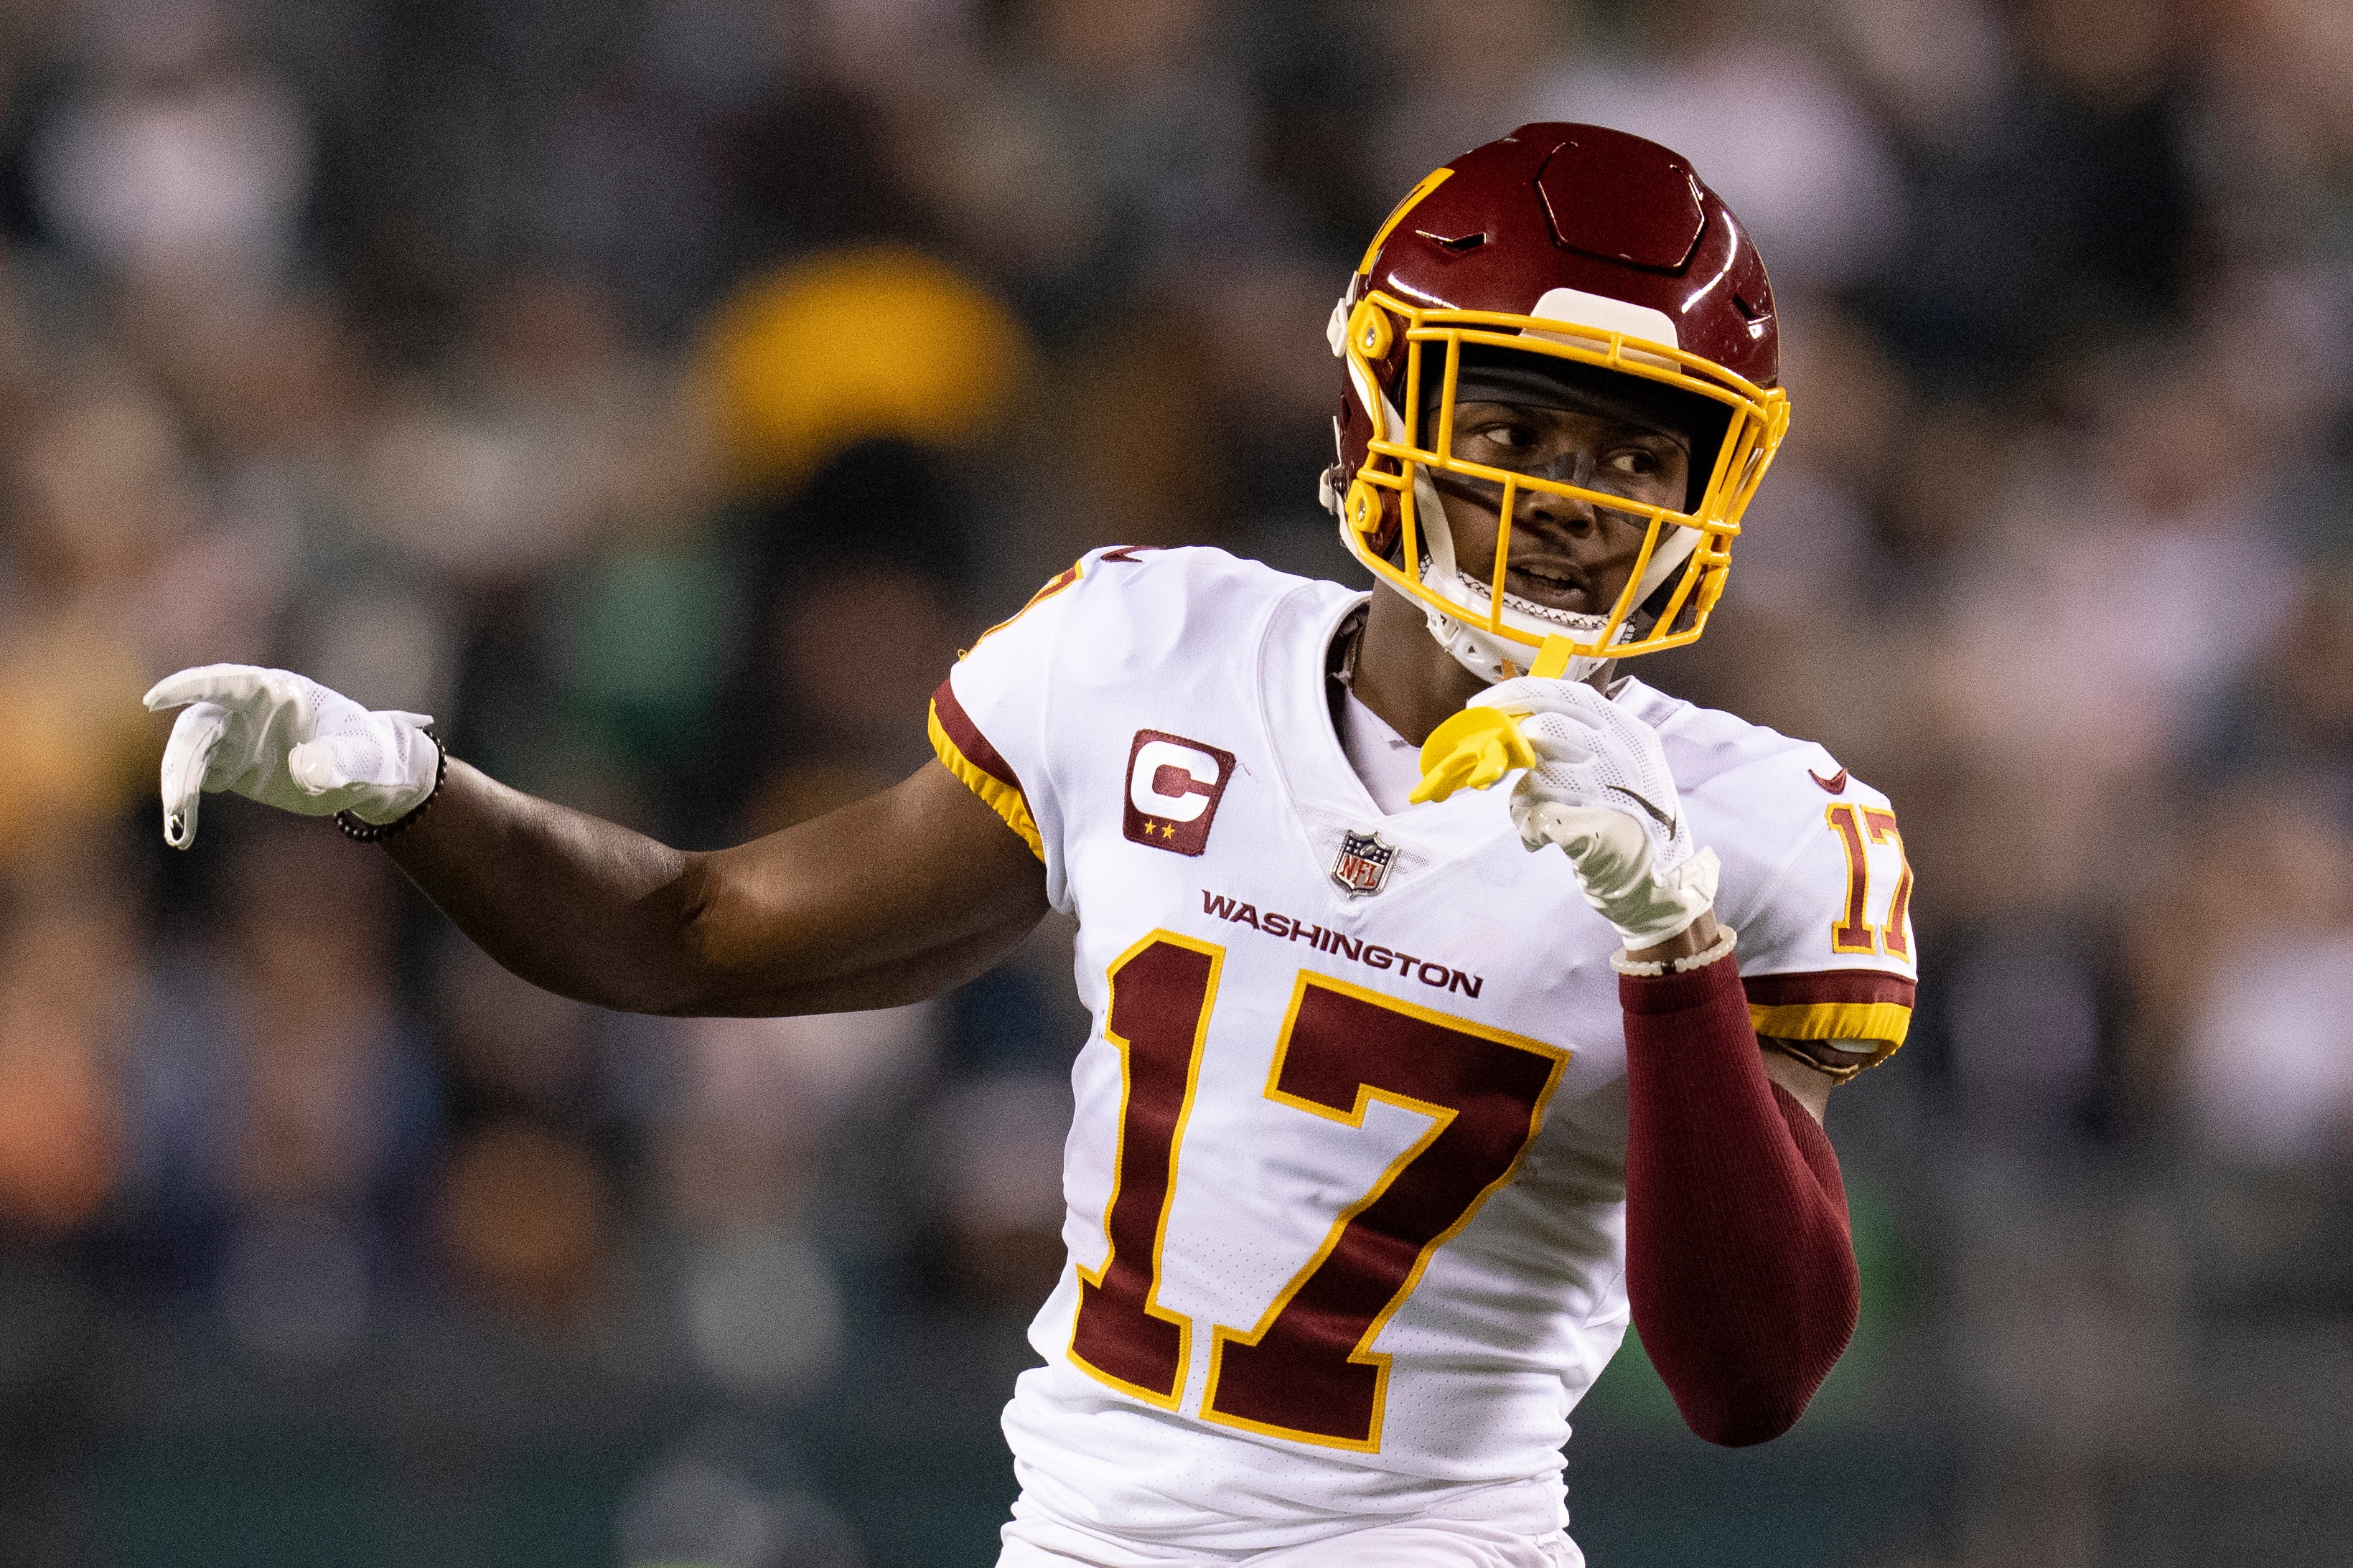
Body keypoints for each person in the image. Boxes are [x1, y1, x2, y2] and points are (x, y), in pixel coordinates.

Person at [145, 124, 1918, 1568]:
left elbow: (1751, 1379)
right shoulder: (1152, 653)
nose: (1559, 497)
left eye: (1626, 451)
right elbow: (694, 933)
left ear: (1707, 495)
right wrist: (407, 784)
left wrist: (1669, 941)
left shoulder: (1757, 831)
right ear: (1391, 415)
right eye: (1514, 426)